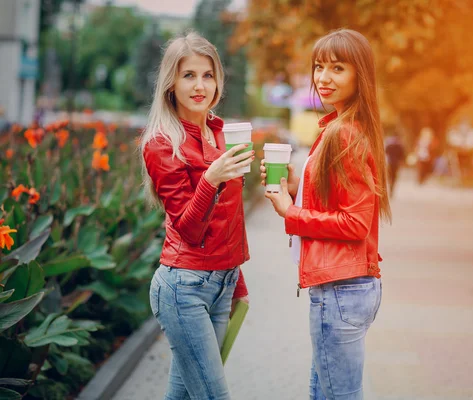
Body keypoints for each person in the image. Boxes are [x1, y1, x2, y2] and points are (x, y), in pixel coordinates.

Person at [261, 29, 391, 399]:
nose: (323, 78)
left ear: (359, 75)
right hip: (345, 285)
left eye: (337, 68)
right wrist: (292, 189)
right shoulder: (340, 127)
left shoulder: (345, 134)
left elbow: (354, 223)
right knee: (323, 392)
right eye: (319, 67)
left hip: (340, 289)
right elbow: (338, 203)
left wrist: (291, 212)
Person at [139, 31, 253, 399]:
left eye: (208, 75)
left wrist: (236, 278)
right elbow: (188, 229)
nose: (200, 85)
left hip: (222, 283)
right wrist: (211, 179)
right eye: (189, 75)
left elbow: (229, 219)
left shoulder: (221, 134)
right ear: (171, 82)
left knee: (185, 395)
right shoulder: (161, 143)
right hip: (183, 288)